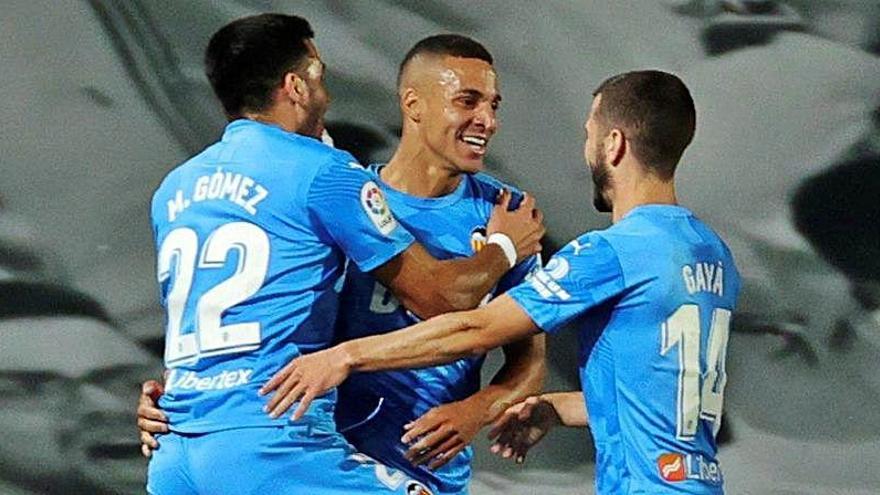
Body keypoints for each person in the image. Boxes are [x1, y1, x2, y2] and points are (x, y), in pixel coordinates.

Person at [260, 70, 742, 494]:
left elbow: (475, 329)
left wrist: (347, 355)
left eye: (590, 134)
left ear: (613, 145)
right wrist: (554, 409)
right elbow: (658, 398)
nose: (587, 149)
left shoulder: (609, 253)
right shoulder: (713, 254)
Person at [145, 13, 543, 495]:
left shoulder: (175, 188)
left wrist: (476, 410)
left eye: (493, 104)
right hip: (291, 448)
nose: (488, 119)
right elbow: (441, 299)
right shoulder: (334, 183)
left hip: (189, 446)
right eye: (468, 101)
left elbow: (528, 356)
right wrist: (503, 247)